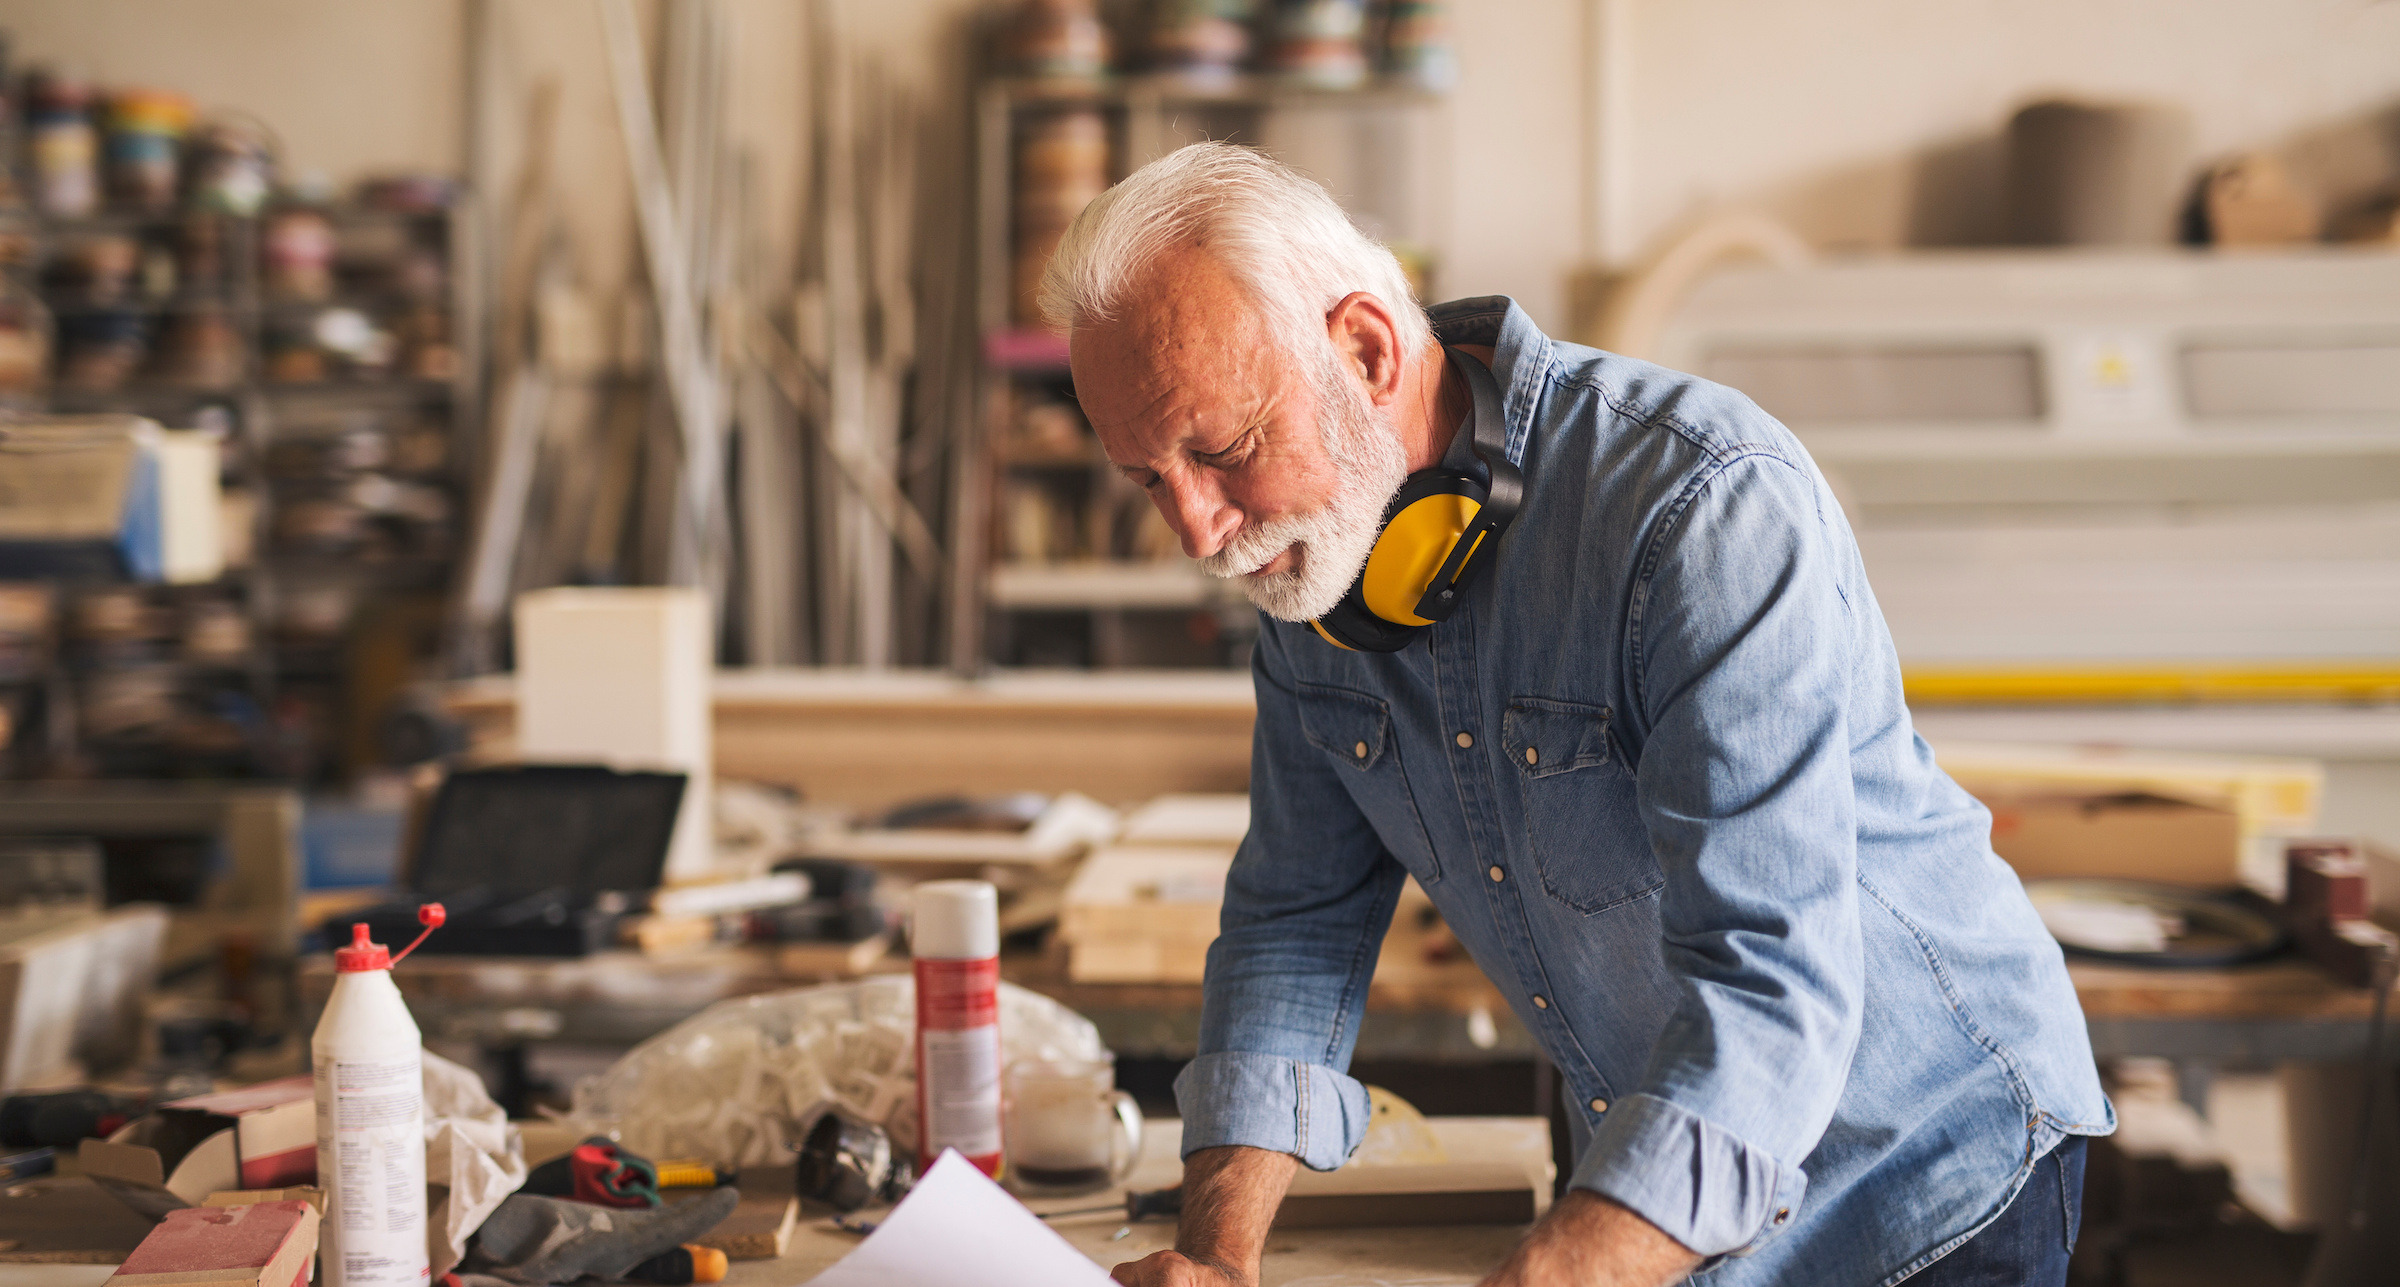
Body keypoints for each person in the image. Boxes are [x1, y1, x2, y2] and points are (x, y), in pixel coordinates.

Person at [1044, 142, 2113, 1287]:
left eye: (1223, 450)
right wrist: (1216, 1256)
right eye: (1151, 479)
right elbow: (1295, 919)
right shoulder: (1308, 560)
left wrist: (1558, 1272)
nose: (1200, 533)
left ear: (1362, 349)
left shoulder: (1704, 510)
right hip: (1664, 1167)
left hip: (1923, 1166)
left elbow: (1772, 984)